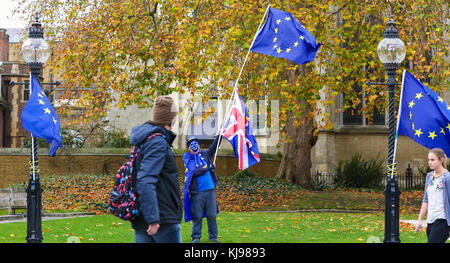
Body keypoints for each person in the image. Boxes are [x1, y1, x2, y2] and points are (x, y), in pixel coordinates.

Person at [129, 95, 182, 243]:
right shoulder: (157, 142)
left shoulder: (143, 140)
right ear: (171, 119)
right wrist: (153, 219)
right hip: (161, 219)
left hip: (143, 215)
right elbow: (145, 179)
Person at [183, 135, 221, 243]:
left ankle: (213, 237)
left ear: (199, 145)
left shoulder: (205, 155)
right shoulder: (188, 158)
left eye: (196, 143)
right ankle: (196, 238)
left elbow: (214, 146)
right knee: (197, 216)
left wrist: (220, 134)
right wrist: (209, 167)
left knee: (212, 215)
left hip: (210, 190)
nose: (194, 146)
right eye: (191, 144)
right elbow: (195, 171)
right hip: (197, 193)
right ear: (189, 148)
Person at [415, 148, 450, 243]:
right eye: (428, 160)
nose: (429, 162)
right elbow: (426, 199)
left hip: (442, 221)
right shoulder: (429, 176)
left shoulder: (447, 177)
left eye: (432, 160)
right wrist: (419, 220)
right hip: (430, 220)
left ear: (441, 160)